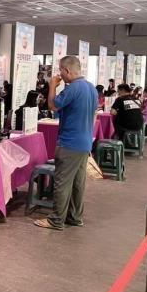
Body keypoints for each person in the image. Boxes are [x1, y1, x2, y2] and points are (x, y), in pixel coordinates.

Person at [34, 56, 97, 231]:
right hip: (85, 142)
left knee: (62, 182)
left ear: (67, 70)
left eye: (60, 70)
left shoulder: (73, 88)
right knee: (77, 183)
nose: (59, 74)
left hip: (69, 143)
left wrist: (52, 86)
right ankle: (74, 217)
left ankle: (56, 220)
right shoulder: (91, 88)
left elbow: (53, 106)